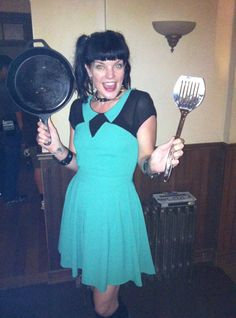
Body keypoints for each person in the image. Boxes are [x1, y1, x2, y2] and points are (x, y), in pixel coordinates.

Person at [37, 30, 184, 318]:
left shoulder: (138, 103)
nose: (111, 74)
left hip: (114, 210)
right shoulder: (78, 110)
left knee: (103, 305)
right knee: (95, 288)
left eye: (118, 64)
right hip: (81, 204)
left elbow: (144, 160)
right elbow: (78, 164)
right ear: (88, 70)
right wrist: (57, 148)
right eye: (101, 65)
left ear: (125, 68)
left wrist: (153, 164)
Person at [0, 54, 26, 206]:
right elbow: (17, 110)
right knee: (11, 161)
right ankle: (10, 196)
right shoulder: (7, 86)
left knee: (3, 161)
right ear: (4, 68)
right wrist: (22, 127)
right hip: (9, 125)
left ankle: (3, 192)